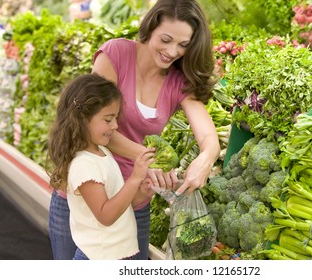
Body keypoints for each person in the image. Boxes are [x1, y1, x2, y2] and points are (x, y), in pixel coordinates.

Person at [48, 0, 220, 260]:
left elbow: (208, 137)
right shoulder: (115, 54)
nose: (172, 51)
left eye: (183, 45)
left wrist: (205, 161)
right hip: (82, 195)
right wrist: (147, 159)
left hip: (133, 199)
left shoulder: (178, 82)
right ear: (151, 26)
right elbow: (93, 126)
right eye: (166, 39)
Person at [46, 73, 156, 260]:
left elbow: (118, 203)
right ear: (81, 119)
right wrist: (135, 178)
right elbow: (106, 215)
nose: (114, 126)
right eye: (108, 119)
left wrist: (141, 193)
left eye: (115, 118)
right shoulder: (83, 165)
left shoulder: (102, 153)